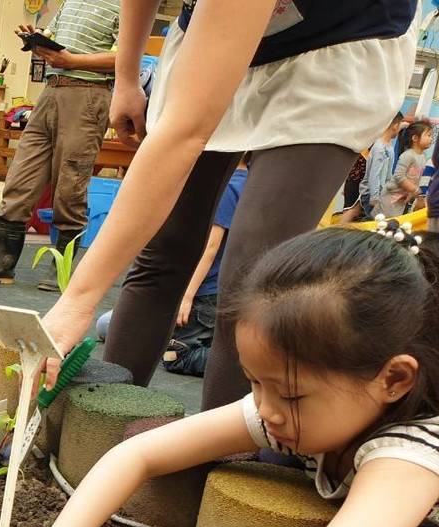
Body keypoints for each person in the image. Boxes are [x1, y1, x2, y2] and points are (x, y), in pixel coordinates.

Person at [0, 227, 439, 527]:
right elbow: (137, 455)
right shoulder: (300, 406)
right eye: (256, 384)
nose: (265, 411)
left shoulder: (411, 453)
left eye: (291, 396)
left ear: (394, 380)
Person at [40, 0, 417, 411]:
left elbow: (184, 134)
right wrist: (126, 77)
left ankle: (219, 465)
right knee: (165, 247)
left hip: (336, 41)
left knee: (252, 281)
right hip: (212, 31)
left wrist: (78, 299)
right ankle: (101, 424)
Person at [0, 0, 120, 288]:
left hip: (88, 94)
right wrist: (37, 39)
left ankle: (59, 269)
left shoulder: (125, 6)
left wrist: (73, 62)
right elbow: (55, 38)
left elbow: (126, 57)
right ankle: (2, 263)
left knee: (70, 185)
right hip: (51, 91)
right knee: (20, 176)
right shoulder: (71, 2)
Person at [161, 158, 248, 377]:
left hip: (205, 291)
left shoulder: (229, 187)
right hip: (219, 289)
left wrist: (188, 295)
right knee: (108, 325)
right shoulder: (250, 183)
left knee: (175, 356)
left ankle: (242, 363)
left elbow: (211, 247)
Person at [384, 121, 432, 217]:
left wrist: (412, 194)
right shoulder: (408, 155)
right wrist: (415, 190)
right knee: (384, 223)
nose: (431, 139)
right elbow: (399, 175)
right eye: (428, 135)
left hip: (403, 199)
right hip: (392, 197)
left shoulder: (423, 157)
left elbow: (416, 178)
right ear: (415, 138)